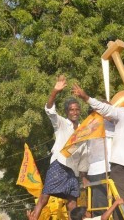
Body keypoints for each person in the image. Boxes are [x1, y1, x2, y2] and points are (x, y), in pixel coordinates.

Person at [72, 85, 124, 220]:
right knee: (121, 205)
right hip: (121, 169)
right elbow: (104, 108)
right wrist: (85, 97)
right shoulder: (123, 114)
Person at [27, 75, 89, 220]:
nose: (74, 112)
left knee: (72, 200)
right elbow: (49, 110)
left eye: (77, 109)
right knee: (45, 196)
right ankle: (34, 218)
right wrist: (55, 91)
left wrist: (84, 176)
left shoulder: (83, 130)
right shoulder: (61, 123)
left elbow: (84, 154)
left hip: (73, 171)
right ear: (67, 112)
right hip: (59, 164)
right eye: (71, 110)